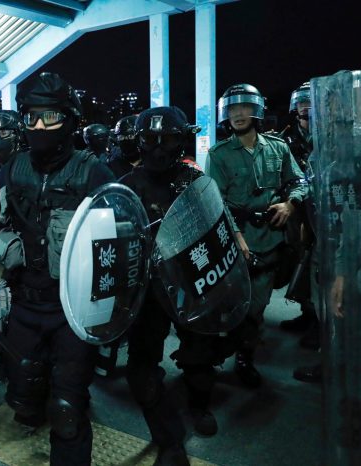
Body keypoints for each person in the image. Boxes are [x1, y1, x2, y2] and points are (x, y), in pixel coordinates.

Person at [0, 72, 115, 466]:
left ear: (70, 119)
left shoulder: (93, 173)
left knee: (68, 409)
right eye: (31, 117)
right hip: (23, 306)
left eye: (50, 117)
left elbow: (122, 248)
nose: (38, 127)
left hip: (73, 312)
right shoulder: (12, 170)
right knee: (22, 393)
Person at [120, 106, 232, 465]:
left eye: (166, 138)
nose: (157, 147)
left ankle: (198, 404)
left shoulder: (194, 179)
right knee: (141, 367)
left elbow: (216, 224)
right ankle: (169, 439)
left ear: (181, 139)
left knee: (200, 354)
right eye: (149, 139)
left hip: (191, 282)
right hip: (147, 294)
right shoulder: (125, 188)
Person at [207, 83, 307, 388]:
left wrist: (291, 203)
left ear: (256, 111)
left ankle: (244, 357)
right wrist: (237, 237)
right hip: (234, 244)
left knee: (256, 306)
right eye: (232, 109)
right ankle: (216, 351)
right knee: (227, 304)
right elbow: (215, 202)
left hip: (269, 241)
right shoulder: (219, 154)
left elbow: (300, 180)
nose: (238, 114)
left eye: (244, 108)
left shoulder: (278, 148)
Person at [278, 82, 319, 350]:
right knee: (299, 264)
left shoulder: (329, 136)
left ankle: (320, 323)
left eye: (312, 102)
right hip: (296, 210)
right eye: (303, 104)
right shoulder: (284, 139)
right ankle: (308, 315)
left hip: (323, 211)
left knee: (319, 269)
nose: (307, 108)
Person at [106, 115, 141, 179]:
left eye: (130, 136)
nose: (126, 139)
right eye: (121, 137)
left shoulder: (150, 160)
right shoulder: (114, 161)